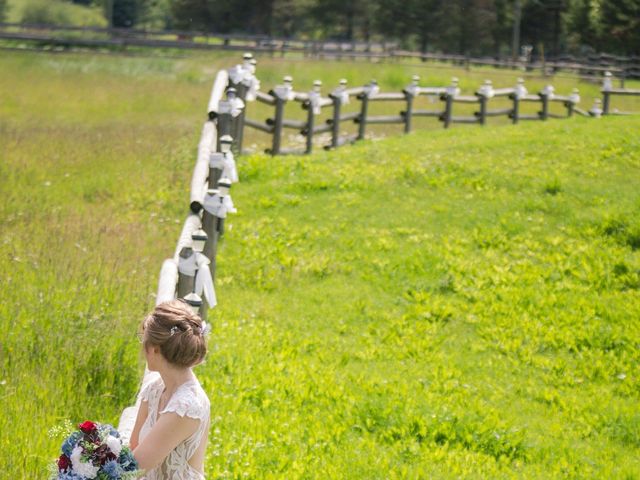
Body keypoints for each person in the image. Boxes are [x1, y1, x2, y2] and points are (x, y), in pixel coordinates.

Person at [130, 300, 211, 479]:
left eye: (143, 340)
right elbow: (132, 449)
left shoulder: (186, 407)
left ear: (156, 349)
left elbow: (133, 469)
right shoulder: (154, 390)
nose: (142, 348)